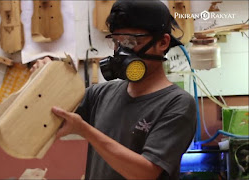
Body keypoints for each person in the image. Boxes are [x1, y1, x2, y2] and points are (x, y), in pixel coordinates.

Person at [31, 0, 196, 179]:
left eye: (131, 42)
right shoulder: (101, 94)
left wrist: (85, 130)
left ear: (163, 42)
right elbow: (50, 117)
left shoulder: (177, 104)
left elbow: (146, 173)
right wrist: (43, 81)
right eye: (117, 42)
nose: (121, 51)